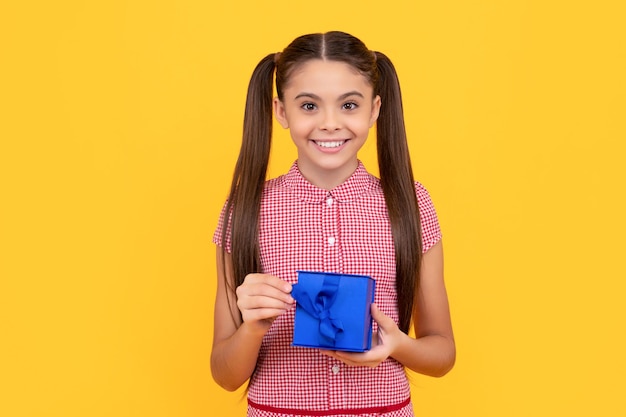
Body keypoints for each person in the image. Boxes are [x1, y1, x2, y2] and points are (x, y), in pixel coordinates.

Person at [211, 31, 455, 417]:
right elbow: (224, 374)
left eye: (349, 105)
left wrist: (396, 346)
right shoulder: (244, 210)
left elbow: (442, 353)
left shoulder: (411, 203)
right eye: (308, 105)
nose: (329, 123)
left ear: (374, 110)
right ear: (280, 111)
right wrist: (253, 327)